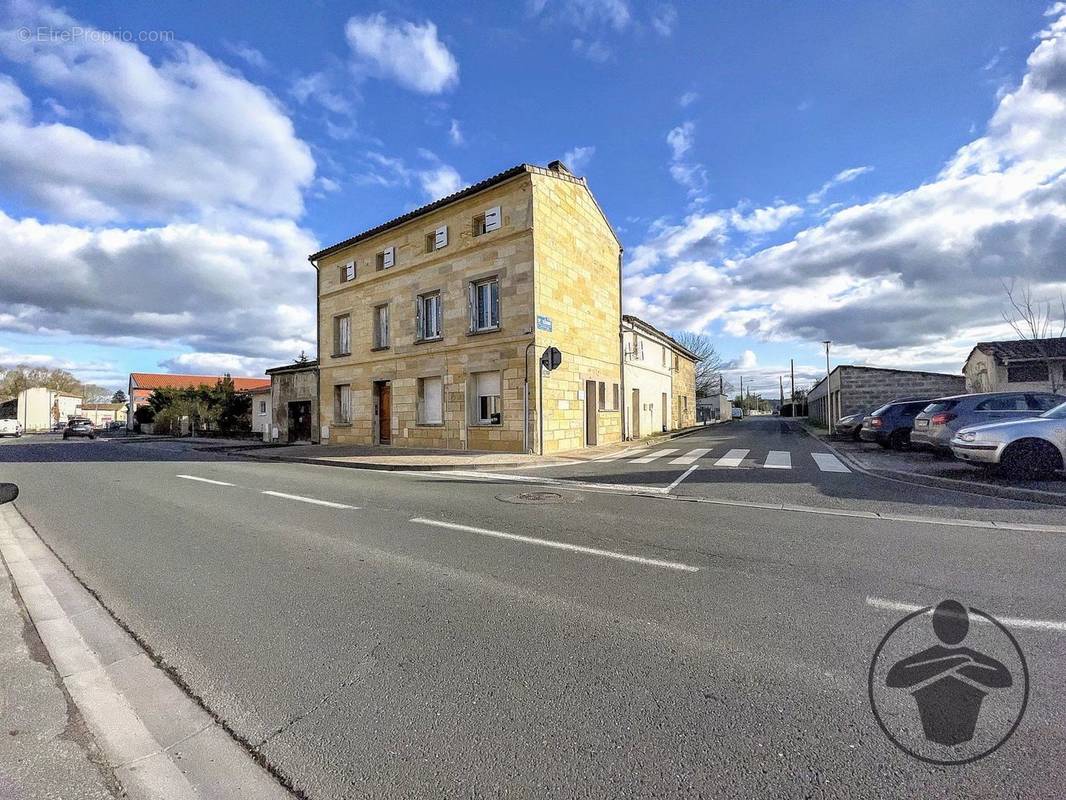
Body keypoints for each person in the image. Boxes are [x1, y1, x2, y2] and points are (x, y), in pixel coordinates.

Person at [886, 600, 1011, 746]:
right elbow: (895, 679)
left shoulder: (967, 654)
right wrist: (958, 661)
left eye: (958, 624)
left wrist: (958, 663)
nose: (952, 629)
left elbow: (1003, 679)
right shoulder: (957, 655)